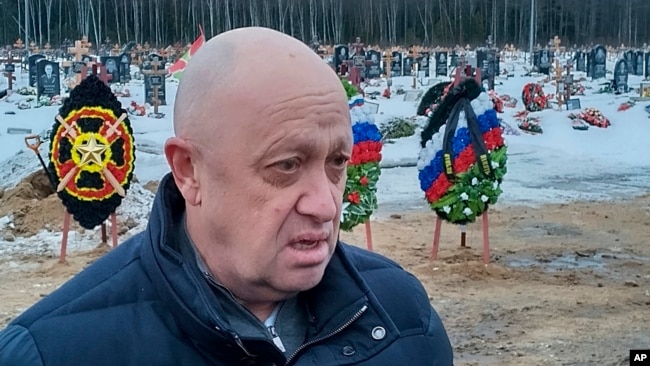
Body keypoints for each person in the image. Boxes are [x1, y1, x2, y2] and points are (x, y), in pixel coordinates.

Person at [0, 27, 453, 365]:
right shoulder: (55, 351)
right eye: (287, 166)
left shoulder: (402, 318)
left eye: (337, 163)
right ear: (189, 171)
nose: (326, 204)